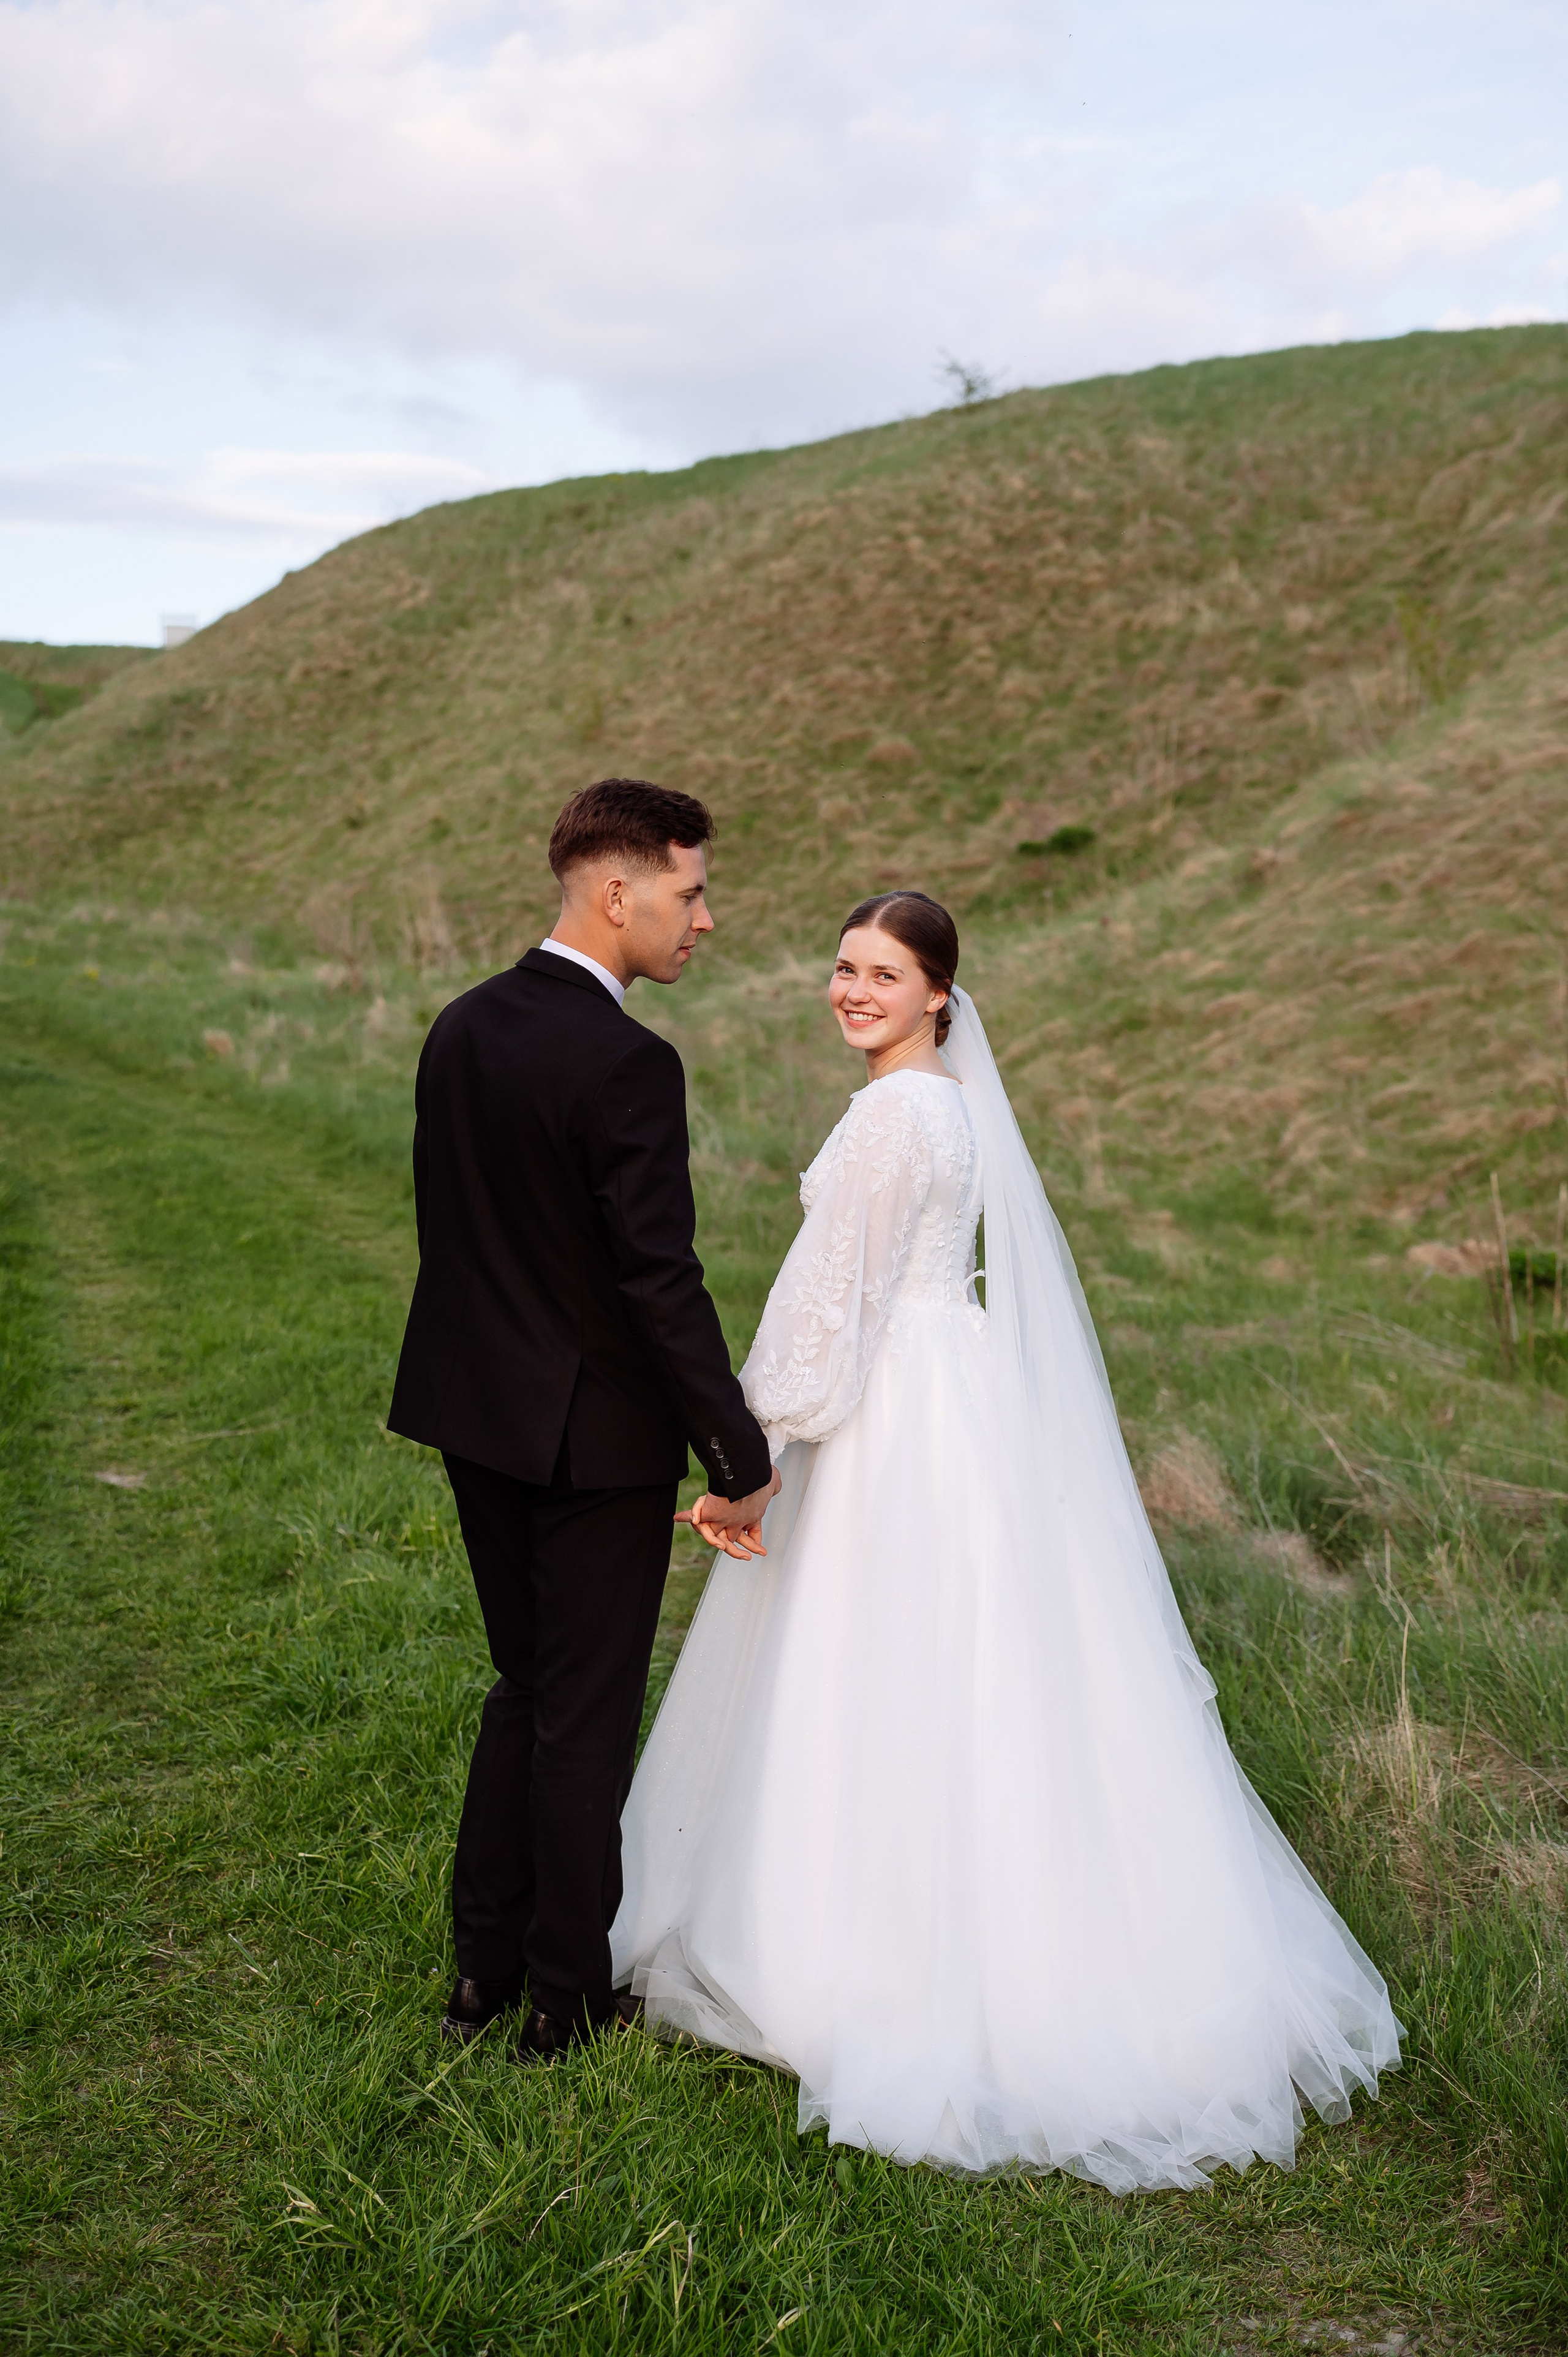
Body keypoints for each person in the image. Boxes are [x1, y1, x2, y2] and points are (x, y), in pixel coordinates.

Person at [612, 889, 1401, 2187]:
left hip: (885, 1418)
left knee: (867, 1665)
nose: (850, 988)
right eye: (840, 964)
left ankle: (851, 1963)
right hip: (957, 1402)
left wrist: (748, 1466)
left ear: (937, 994)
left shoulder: (886, 1118)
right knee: (978, 1665)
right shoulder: (957, 1110)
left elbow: (830, 1307)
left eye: (882, 972)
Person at [388, 779, 777, 2060]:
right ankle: (561, 1998)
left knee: (524, 1686)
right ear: (618, 896)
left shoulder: (460, 1026)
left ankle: (476, 1974)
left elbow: (460, 1234)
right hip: (592, 1443)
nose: (703, 920)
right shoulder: (625, 1061)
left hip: (472, 1414)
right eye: (690, 890)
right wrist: (736, 1450)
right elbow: (656, 1281)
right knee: (583, 1717)